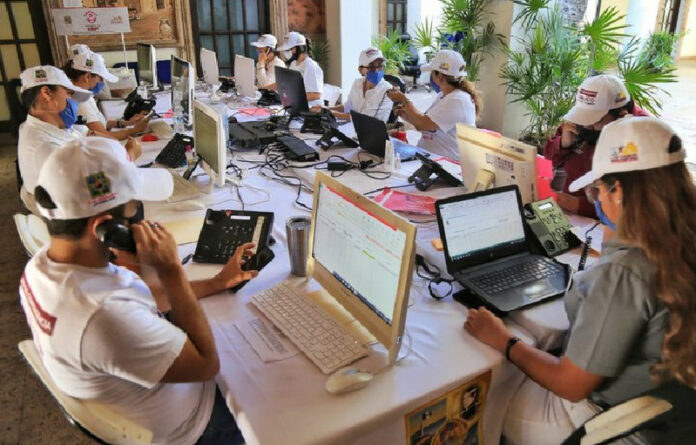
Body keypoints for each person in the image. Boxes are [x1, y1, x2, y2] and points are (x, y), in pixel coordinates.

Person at [465, 116, 696, 445]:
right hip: (670, 412)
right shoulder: (678, 240)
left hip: (609, 421)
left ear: (619, 192)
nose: (595, 199)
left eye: (597, 189)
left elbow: (571, 385)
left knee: (485, 399)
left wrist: (503, 339)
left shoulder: (623, 274)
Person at [20, 136, 259, 445]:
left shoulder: (44, 266)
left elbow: (138, 296)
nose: (144, 218)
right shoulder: (102, 317)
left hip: (142, 392)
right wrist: (171, 270)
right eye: (136, 209)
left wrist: (216, 283)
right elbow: (206, 364)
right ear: (105, 229)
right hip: (196, 426)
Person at [543, 74, 649, 217]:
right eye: (584, 117)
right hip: (573, 217)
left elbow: (627, 206)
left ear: (621, 115)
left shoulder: (644, 137)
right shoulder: (579, 122)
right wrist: (563, 144)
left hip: (611, 227)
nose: (586, 125)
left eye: (594, 120)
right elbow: (548, 158)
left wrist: (568, 202)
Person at [17, 65, 93, 214]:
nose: (71, 100)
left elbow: (77, 133)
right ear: (46, 93)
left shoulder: (47, 125)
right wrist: (128, 158)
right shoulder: (45, 146)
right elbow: (93, 191)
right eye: (68, 93)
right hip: (71, 214)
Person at [387, 49, 481, 160]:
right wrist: (408, 116)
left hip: (448, 164)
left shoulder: (457, 100)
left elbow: (423, 124)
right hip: (429, 157)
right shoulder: (443, 95)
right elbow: (427, 124)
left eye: (432, 72)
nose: (430, 76)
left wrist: (404, 100)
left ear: (440, 77)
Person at [64, 51, 149, 141]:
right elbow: (105, 136)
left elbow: (103, 124)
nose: (102, 83)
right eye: (101, 79)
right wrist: (135, 130)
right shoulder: (80, 102)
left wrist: (127, 123)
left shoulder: (86, 95)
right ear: (87, 76)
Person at [318, 47, 393, 122]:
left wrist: (331, 113)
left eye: (380, 66)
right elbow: (347, 107)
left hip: (371, 131)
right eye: (372, 67)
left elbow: (365, 119)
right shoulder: (357, 83)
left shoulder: (387, 90)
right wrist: (324, 109)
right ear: (360, 70)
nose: (376, 71)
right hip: (352, 128)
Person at [276, 31, 323, 107]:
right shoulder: (293, 64)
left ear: (299, 48)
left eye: (289, 49)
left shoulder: (311, 66)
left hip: (311, 109)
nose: (286, 52)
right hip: (295, 106)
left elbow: (316, 95)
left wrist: (292, 98)